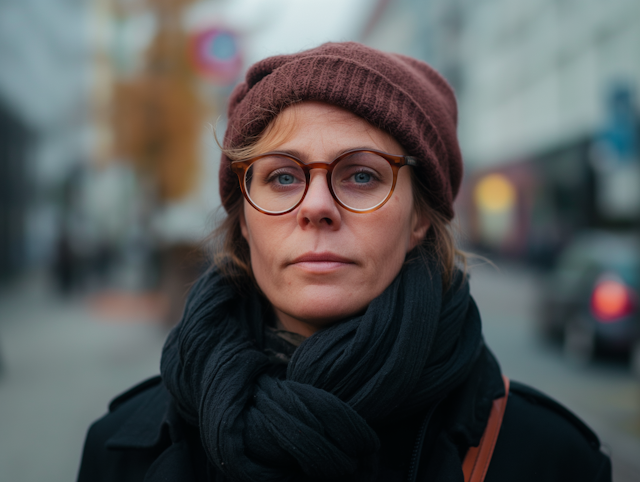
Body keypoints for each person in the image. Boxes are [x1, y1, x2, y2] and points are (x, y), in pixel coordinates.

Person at [77, 42, 611, 482]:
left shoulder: (547, 458)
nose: (315, 207)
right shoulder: (122, 449)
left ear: (419, 217)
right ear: (243, 217)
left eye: (361, 175)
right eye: (282, 176)